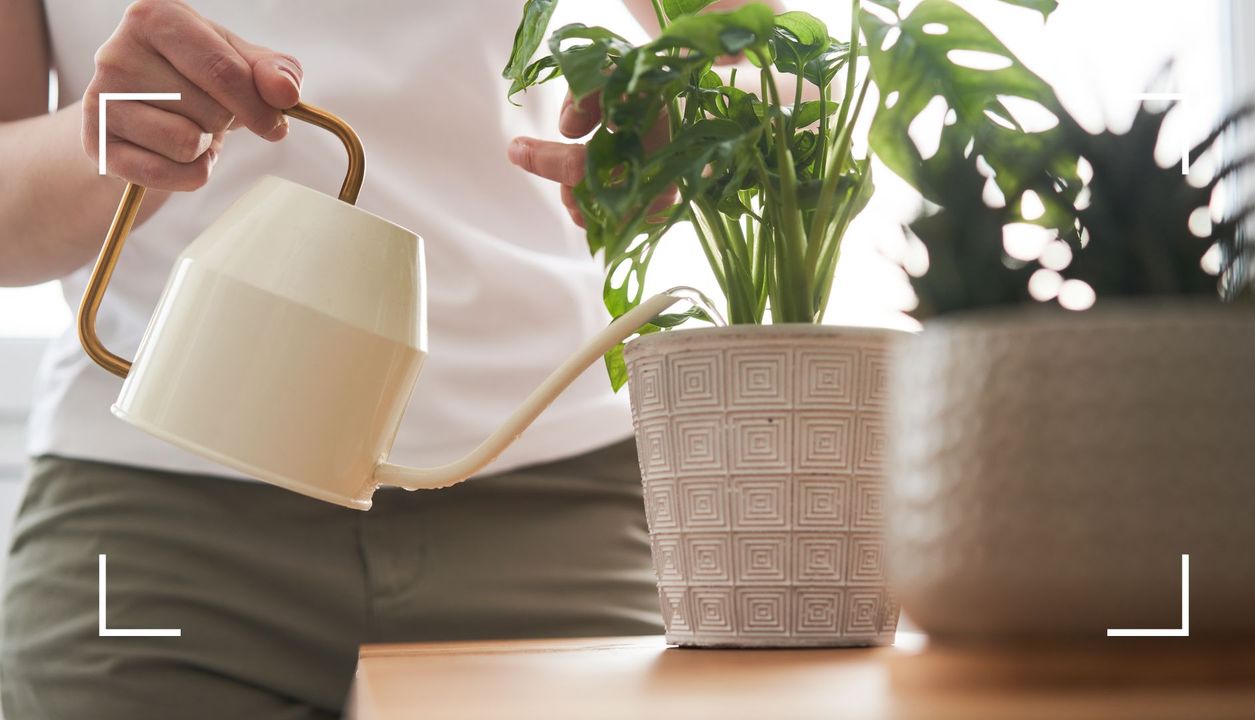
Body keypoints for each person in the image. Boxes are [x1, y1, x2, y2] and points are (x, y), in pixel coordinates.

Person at [0, 0, 775, 717]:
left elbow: (771, 53)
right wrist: (114, 142)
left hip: (552, 494)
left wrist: (692, 114)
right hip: (148, 524)